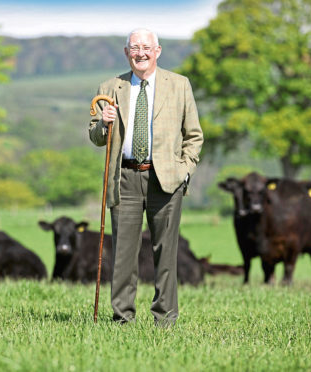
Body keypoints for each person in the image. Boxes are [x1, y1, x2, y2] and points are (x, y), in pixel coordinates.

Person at [89, 28, 203, 327]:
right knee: (123, 254)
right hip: (124, 177)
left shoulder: (179, 85)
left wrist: (184, 170)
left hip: (165, 179)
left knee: (165, 252)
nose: (140, 53)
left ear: (158, 51)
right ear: (127, 52)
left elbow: (194, 136)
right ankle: (121, 319)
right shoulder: (110, 87)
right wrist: (103, 123)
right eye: (134, 47)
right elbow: (97, 137)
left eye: (146, 47)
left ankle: (164, 320)